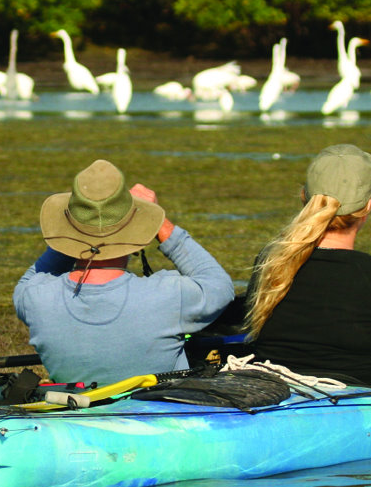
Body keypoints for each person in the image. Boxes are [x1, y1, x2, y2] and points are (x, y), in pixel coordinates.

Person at [14, 159, 235, 385]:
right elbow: (219, 285)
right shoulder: (169, 296)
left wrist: (78, 231)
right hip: (159, 415)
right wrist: (160, 222)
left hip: (77, 413)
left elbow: (31, 278)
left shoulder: (34, 298)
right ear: (135, 231)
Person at [243, 144, 371, 387]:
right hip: (365, 403)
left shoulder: (269, 261)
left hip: (281, 394)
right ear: (368, 205)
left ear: (304, 197)